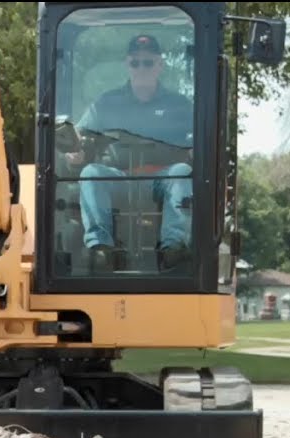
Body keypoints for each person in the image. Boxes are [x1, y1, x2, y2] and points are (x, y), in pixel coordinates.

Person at [65, 34, 194, 271]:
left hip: (162, 180)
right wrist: (75, 154)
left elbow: (198, 143)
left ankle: (173, 249)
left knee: (182, 172)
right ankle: (100, 248)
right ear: (128, 65)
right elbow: (77, 138)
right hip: (119, 178)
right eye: (135, 62)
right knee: (92, 172)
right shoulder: (106, 103)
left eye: (148, 62)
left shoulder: (181, 106)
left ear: (159, 65)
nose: (141, 68)